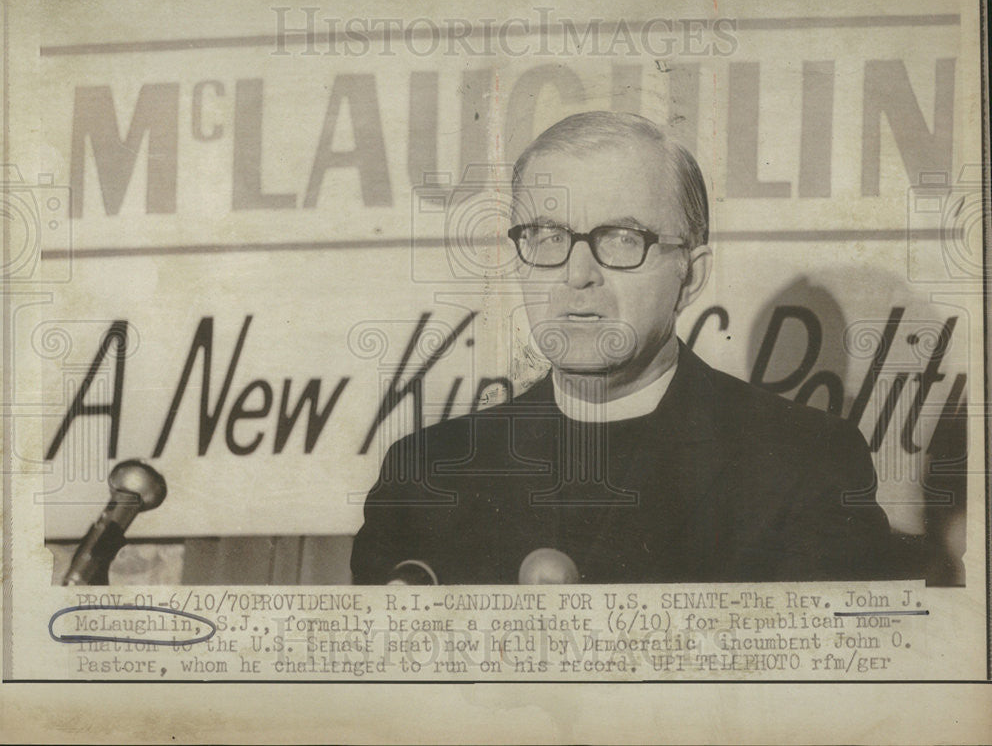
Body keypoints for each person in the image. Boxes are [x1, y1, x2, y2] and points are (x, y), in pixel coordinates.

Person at [351, 111, 899, 584]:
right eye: (547, 235)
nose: (577, 274)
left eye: (621, 239)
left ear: (691, 276)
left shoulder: (806, 466)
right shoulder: (425, 473)